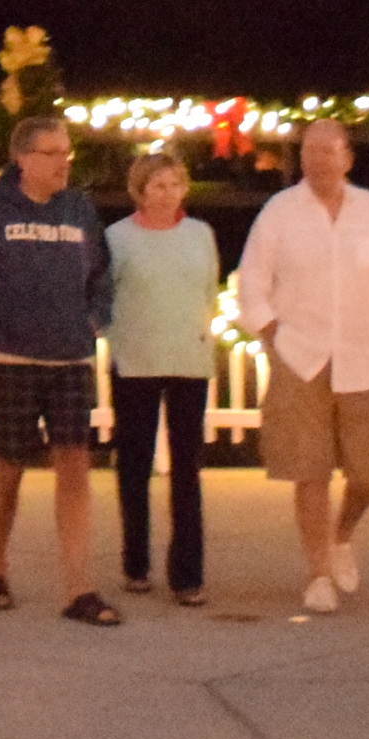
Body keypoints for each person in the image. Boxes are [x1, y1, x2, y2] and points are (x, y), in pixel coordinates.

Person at [237, 120, 369, 614]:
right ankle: (317, 572)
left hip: (367, 355)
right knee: (309, 469)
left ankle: (343, 534)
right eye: (309, 152)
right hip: (302, 357)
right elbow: (252, 281)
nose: (318, 161)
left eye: (328, 152)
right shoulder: (280, 212)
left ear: (346, 158)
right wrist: (272, 334)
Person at [0, 107, 117, 624]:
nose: (63, 162)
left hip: (70, 359)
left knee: (75, 463)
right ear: (22, 158)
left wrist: (96, 318)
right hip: (9, 358)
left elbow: (103, 273)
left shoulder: (79, 210)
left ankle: (78, 589)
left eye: (67, 152)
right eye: (52, 153)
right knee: (9, 464)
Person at [105, 148, 218, 606]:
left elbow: (208, 290)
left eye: (175, 185)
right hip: (136, 360)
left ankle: (187, 574)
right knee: (134, 464)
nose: (167, 194)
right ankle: (136, 562)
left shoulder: (200, 235)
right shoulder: (118, 238)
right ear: (140, 190)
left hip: (188, 358)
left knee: (187, 468)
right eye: (158, 186)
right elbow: (106, 295)